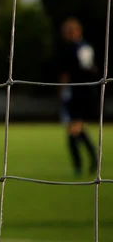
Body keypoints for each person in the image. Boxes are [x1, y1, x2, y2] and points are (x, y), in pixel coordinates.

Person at [58, 17, 99, 177]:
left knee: (72, 130)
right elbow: (91, 69)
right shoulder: (86, 47)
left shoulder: (72, 49)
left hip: (78, 94)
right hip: (87, 92)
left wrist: (63, 91)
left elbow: (66, 74)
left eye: (67, 32)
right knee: (77, 128)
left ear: (75, 31)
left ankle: (80, 165)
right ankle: (91, 159)